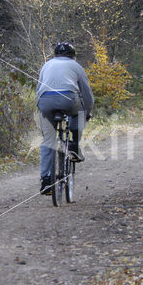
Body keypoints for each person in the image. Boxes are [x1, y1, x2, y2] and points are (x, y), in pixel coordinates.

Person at [36, 42, 94, 195]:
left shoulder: (46, 65)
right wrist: (87, 111)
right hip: (68, 99)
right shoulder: (76, 66)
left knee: (48, 141)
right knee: (80, 111)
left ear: (55, 55)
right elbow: (86, 94)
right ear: (73, 56)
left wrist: (41, 108)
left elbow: (38, 90)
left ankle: (46, 180)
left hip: (45, 101)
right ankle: (74, 144)